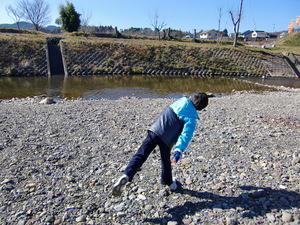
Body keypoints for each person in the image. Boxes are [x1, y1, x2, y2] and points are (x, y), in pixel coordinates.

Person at [112, 92, 209, 197]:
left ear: (190, 97)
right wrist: (178, 150)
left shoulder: (181, 101)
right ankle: (169, 183)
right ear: (200, 109)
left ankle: (127, 174)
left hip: (155, 129)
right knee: (165, 161)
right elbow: (185, 135)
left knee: (141, 154)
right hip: (167, 139)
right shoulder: (191, 119)